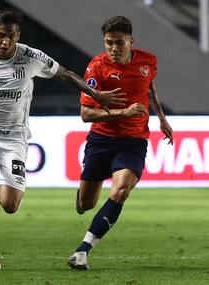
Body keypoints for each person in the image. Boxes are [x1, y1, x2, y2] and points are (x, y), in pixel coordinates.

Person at [0, 8, 125, 272]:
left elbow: (65, 74)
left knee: (9, 205)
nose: (6, 41)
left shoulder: (31, 56)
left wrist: (96, 95)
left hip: (13, 140)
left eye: (11, 36)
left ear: (17, 34)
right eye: (1, 35)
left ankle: (6, 186)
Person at [68, 15, 174, 270]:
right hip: (101, 139)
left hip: (133, 140)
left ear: (130, 41)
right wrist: (122, 113)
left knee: (121, 190)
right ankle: (82, 198)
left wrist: (161, 118)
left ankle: (83, 250)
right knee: (86, 204)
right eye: (108, 43)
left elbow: (150, 89)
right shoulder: (96, 68)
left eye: (119, 43)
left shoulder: (148, 61)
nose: (113, 49)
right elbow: (86, 114)